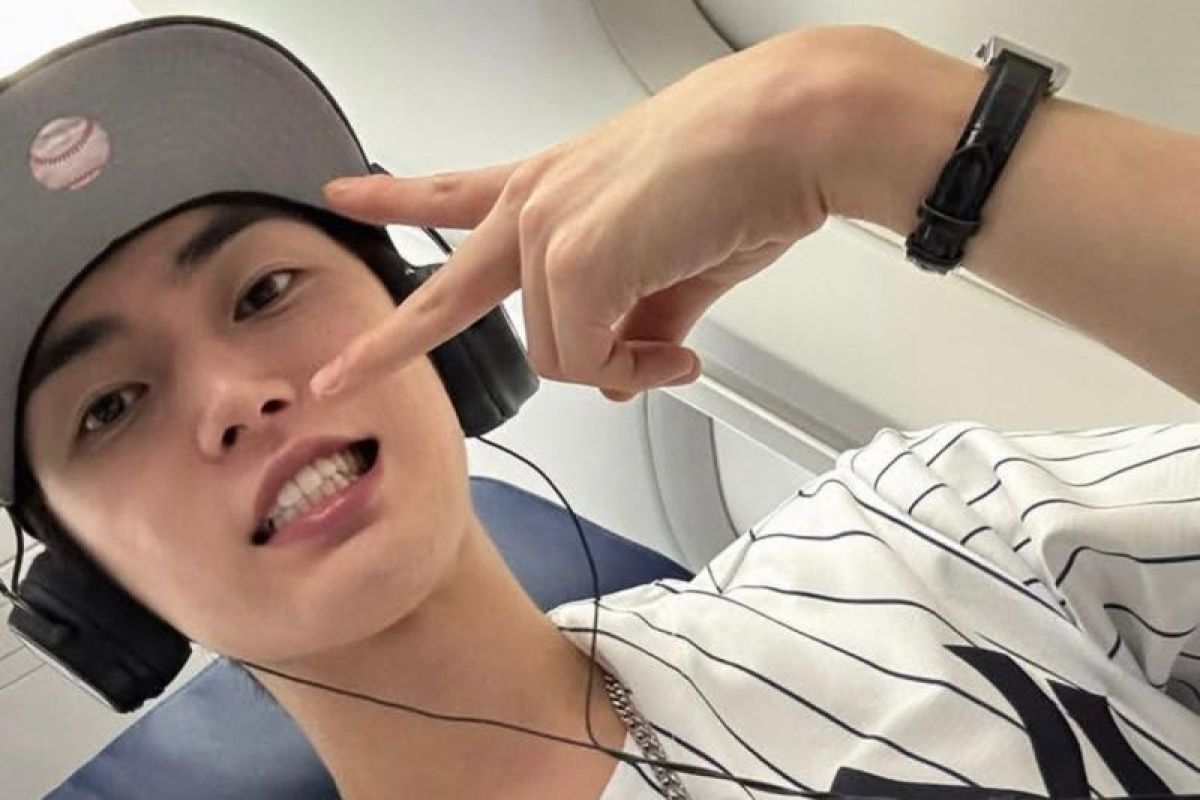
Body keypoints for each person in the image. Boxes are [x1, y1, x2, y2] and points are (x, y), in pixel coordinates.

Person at [3, 16, 1199, 800]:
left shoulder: (924, 534)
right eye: (109, 405)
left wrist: (864, 117)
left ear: (442, 333)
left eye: (265, 290)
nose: (234, 395)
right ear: (90, 583)